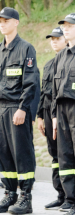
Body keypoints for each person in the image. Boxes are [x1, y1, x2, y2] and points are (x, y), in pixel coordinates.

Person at [0, 7, 37, 214]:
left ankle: (26, 197)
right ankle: (10, 194)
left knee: (22, 153)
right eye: (0, 21)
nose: (2, 24)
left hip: (16, 108)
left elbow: (31, 82)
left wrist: (23, 108)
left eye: (6, 20)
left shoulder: (26, 49)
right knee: (3, 152)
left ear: (16, 22)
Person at [37, 27, 68, 211]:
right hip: (48, 111)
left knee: (66, 156)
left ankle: (70, 196)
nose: (54, 41)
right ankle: (61, 194)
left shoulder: (69, 60)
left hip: (62, 111)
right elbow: (43, 92)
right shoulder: (49, 64)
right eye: (52, 39)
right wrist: (40, 115)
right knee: (54, 154)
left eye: (58, 38)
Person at [52, 14, 75, 215]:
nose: (65, 29)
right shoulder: (61, 56)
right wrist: (53, 116)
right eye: (64, 26)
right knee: (65, 155)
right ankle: (70, 199)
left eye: (70, 26)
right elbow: (53, 89)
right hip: (61, 110)